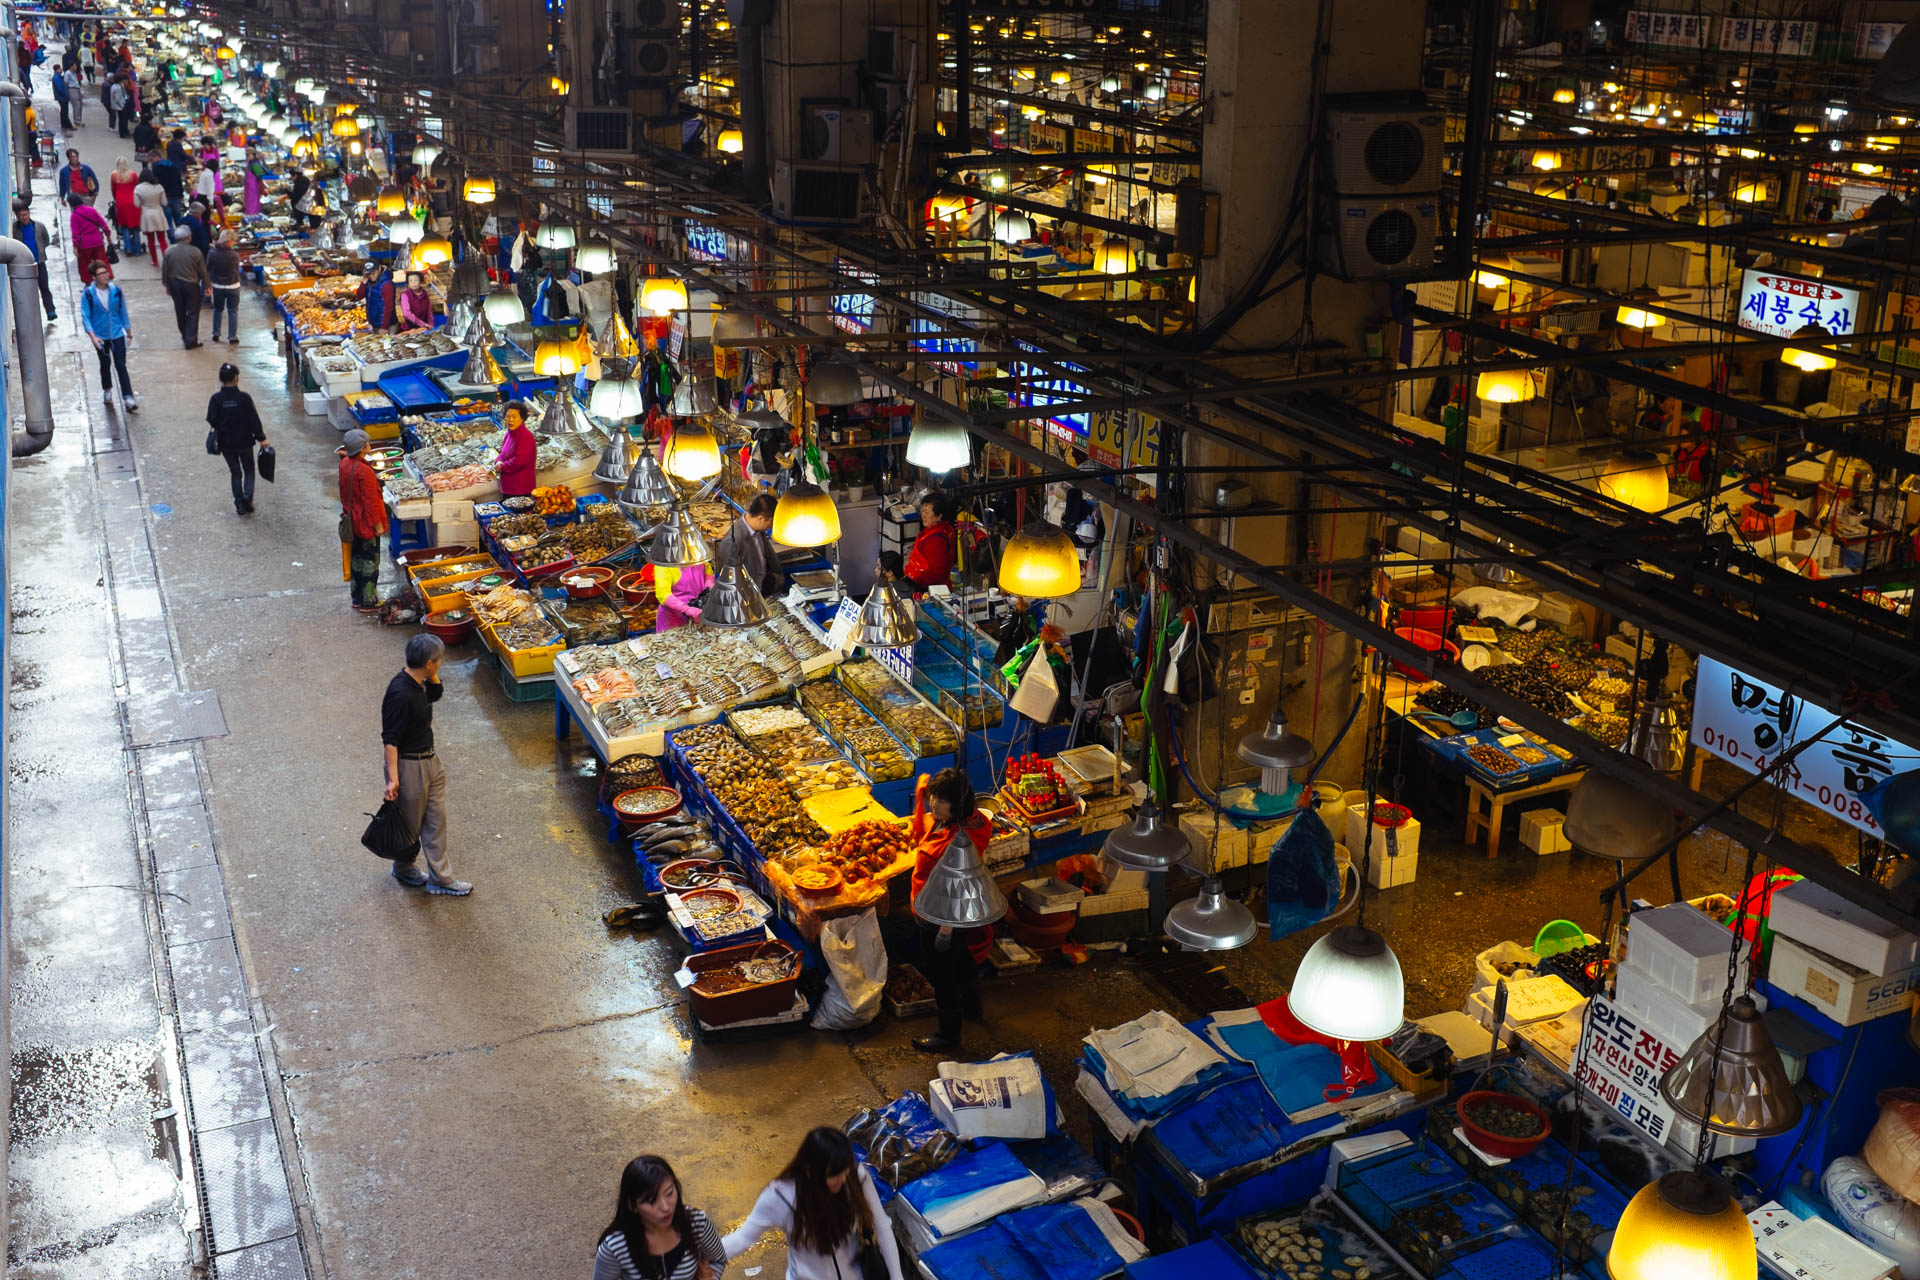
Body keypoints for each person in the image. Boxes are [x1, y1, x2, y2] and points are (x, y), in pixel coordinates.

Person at [721, 1127, 904, 1280]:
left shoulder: (856, 1176)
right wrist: (701, 1256)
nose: (842, 1179)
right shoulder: (779, 1196)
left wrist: (897, 1278)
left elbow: (882, 1226)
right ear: (810, 1171)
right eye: (834, 1175)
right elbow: (743, 1238)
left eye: (845, 1170)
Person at [905, 768, 994, 1052]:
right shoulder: (953, 822)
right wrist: (921, 800)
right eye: (934, 798)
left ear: (957, 804)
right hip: (942, 915)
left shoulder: (959, 845)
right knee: (962, 960)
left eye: (941, 801)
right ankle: (972, 1007)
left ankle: (949, 1035)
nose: (935, 805)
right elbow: (923, 835)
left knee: (941, 974)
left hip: (940, 919)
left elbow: (956, 892)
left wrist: (944, 932)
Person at [380, 633, 472, 896]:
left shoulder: (420, 682)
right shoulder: (399, 693)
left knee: (435, 820)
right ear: (429, 663)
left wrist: (431, 676)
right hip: (410, 766)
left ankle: (441, 878)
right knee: (410, 823)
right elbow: (390, 741)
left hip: (429, 760)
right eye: (438, 660)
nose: (441, 663)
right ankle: (403, 866)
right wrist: (394, 779)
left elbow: (436, 693)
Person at [594, 1155, 726, 1280]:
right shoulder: (615, 1247)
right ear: (632, 1205)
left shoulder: (697, 1223)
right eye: (651, 1201)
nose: (665, 1207)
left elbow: (718, 1259)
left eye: (669, 1193)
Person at [338, 429, 388, 613]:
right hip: (366, 523)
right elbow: (371, 503)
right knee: (369, 563)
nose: (369, 444)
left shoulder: (345, 464)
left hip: (352, 521)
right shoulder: (363, 471)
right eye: (367, 442)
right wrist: (378, 526)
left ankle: (356, 598)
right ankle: (369, 601)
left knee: (356, 560)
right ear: (361, 448)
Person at [206, 363, 267, 515]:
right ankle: (247, 496)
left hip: (226, 443)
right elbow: (254, 420)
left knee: (235, 472)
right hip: (245, 441)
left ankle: (239, 502)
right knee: (249, 469)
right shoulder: (244, 398)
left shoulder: (216, 399)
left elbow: (212, 420)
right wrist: (262, 438)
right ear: (236, 378)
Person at [80, 259, 135, 411]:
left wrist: (128, 332)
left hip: (117, 333)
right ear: (94, 277)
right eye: (101, 273)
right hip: (101, 336)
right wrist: (93, 337)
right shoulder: (89, 295)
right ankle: (107, 390)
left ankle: (128, 397)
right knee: (105, 365)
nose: (105, 276)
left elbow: (122, 311)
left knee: (120, 365)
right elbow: (86, 316)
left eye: (106, 272)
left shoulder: (116, 291)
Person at [713, 492, 782, 598]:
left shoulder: (758, 530)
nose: (772, 526)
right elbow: (728, 580)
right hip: (748, 597)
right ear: (761, 518)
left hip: (763, 587)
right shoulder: (733, 541)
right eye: (772, 522)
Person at [159, 225, 209, 349]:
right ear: (188, 237)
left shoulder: (169, 251)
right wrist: (208, 285)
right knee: (193, 312)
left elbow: (165, 270)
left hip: (175, 284)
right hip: (191, 284)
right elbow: (203, 271)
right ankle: (191, 339)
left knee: (180, 311)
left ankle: (185, 335)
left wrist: (166, 284)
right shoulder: (196, 252)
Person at [903, 490, 960, 591]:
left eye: (927, 512)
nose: (923, 515)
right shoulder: (944, 529)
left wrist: (914, 582)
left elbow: (935, 573)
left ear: (939, 516)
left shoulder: (936, 541)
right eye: (922, 511)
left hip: (933, 590)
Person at [9, 201, 54, 321]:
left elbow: (46, 240)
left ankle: (50, 311)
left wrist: (40, 252)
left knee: (44, 287)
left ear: (29, 214)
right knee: (28, 292)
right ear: (17, 217)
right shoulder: (14, 229)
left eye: (26, 214)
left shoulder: (38, 226)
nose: (24, 218)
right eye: (21, 215)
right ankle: (31, 316)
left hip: (39, 262)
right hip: (24, 265)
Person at [496, 399, 536, 499]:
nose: (510, 420)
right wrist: (498, 461)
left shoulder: (525, 436)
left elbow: (520, 461)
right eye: (508, 416)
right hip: (508, 487)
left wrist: (502, 467)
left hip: (520, 489)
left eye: (514, 417)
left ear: (522, 418)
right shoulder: (510, 433)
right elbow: (503, 452)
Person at [207, 230, 241, 343]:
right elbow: (237, 269)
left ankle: (216, 332)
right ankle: (232, 336)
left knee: (218, 309)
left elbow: (208, 268)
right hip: (233, 286)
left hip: (218, 287)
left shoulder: (212, 253)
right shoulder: (234, 255)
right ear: (230, 241)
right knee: (233, 311)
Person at [68, 193, 112, 280]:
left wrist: (75, 246)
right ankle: (107, 278)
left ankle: (88, 282)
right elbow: (103, 224)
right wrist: (108, 236)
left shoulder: (74, 216)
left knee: (84, 265)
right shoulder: (92, 210)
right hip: (97, 241)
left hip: (84, 245)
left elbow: (75, 234)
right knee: (102, 261)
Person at [109, 155, 140, 256]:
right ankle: (137, 249)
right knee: (135, 226)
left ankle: (128, 249)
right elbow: (137, 187)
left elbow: (113, 190)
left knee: (124, 226)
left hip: (121, 202)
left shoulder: (114, 175)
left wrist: (116, 199)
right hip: (133, 202)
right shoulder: (133, 175)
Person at [356, 261, 395, 331]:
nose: (371, 275)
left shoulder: (386, 284)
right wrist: (364, 282)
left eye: (373, 272)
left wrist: (384, 327)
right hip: (374, 324)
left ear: (379, 269)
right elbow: (359, 297)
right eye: (369, 273)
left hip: (387, 325)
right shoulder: (368, 282)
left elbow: (389, 307)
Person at [151, 150, 185, 223]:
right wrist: (181, 194)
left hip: (164, 196)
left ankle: (171, 234)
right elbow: (179, 181)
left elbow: (156, 184)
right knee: (178, 218)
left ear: (156, 157)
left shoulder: (156, 168)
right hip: (175, 195)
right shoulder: (172, 165)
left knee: (168, 220)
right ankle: (180, 233)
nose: (151, 162)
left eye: (151, 160)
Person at [242, 145, 265, 216]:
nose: (247, 156)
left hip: (253, 188)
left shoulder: (255, 164)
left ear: (253, 155)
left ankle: (253, 217)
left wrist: (261, 189)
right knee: (249, 203)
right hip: (249, 188)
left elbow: (259, 176)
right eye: (246, 155)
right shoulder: (250, 163)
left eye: (249, 155)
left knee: (253, 203)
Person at [51, 63, 70, 130]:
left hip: (61, 97)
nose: (61, 69)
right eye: (60, 68)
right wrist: (66, 94)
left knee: (63, 111)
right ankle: (68, 125)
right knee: (65, 111)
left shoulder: (58, 77)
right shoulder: (57, 78)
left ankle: (64, 124)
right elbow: (60, 88)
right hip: (62, 97)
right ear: (57, 70)